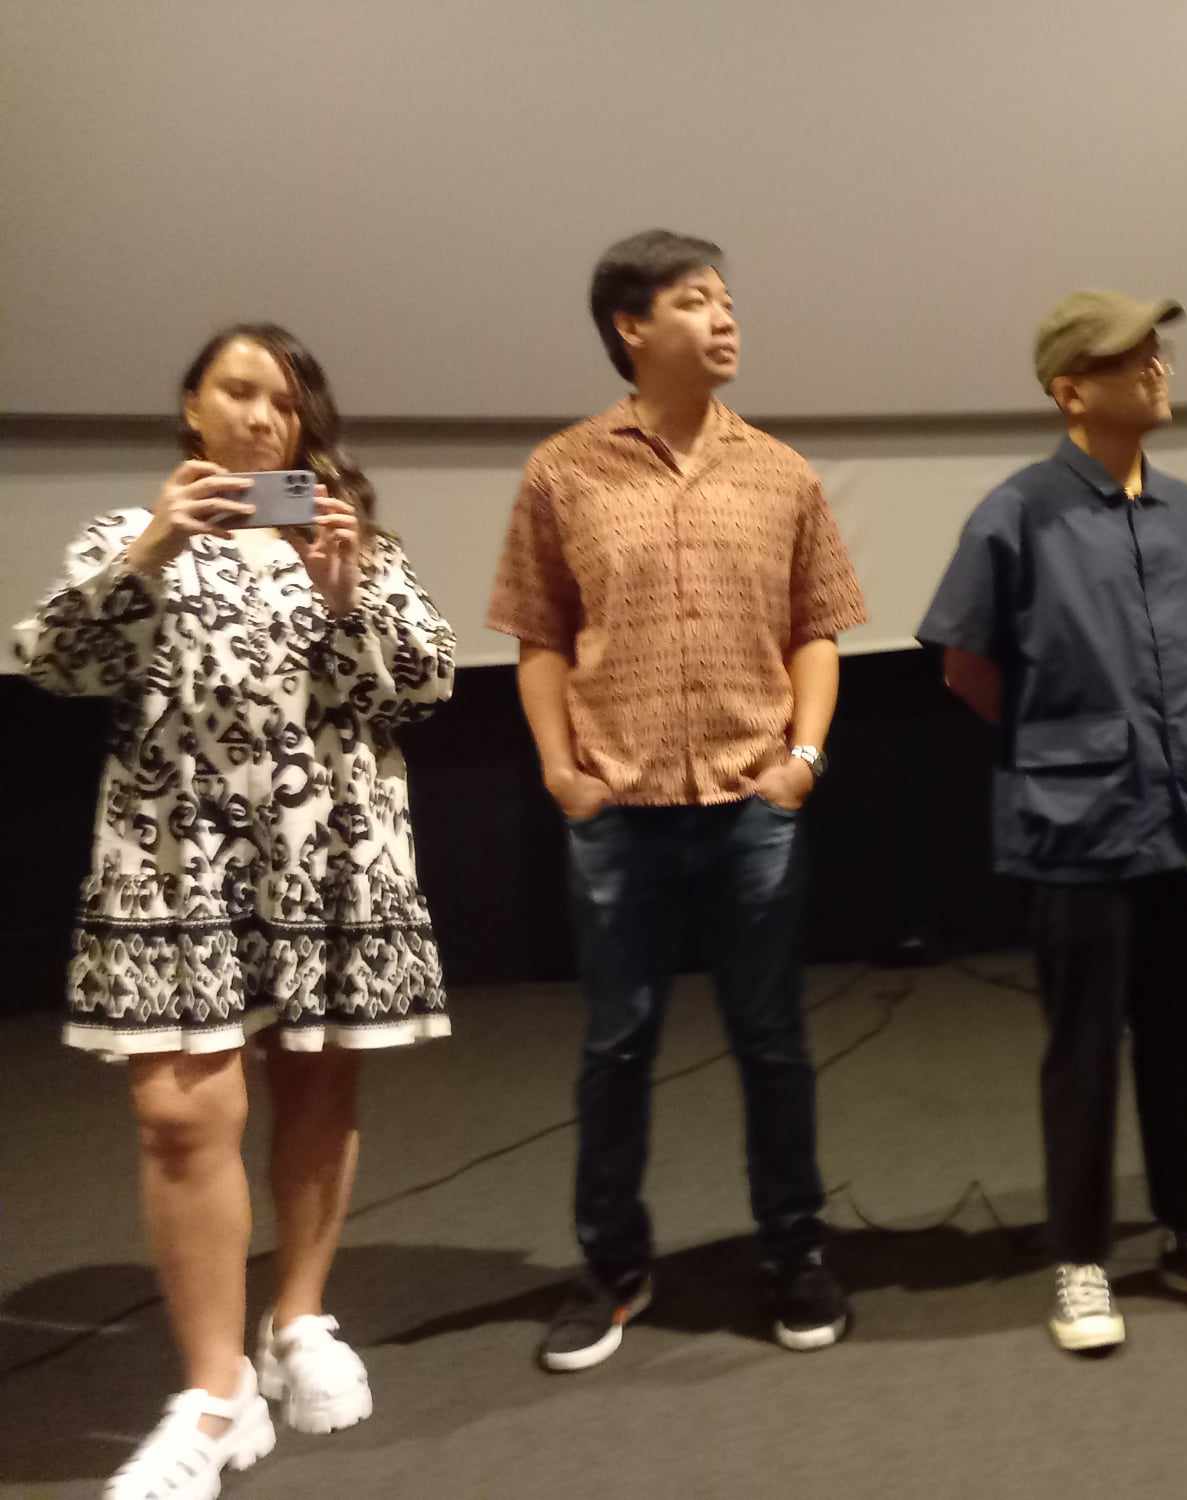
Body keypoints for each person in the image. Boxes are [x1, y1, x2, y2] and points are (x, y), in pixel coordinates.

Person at [14, 323, 455, 1499]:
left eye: (285, 402)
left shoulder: (353, 546)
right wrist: (156, 545)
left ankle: (296, 1317)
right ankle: (215, 1394)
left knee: (317, 1087)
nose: (263, 418)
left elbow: (424, 684)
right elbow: (52, 659)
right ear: (193, 408)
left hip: (329, 859)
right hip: (174, 865)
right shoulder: (128, 536)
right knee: (178, 1115)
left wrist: (346, 595)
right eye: (240, 392)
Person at [487, 229, 869, 1369]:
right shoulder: (563, 471)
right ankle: (612, 1269)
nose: (725, 317)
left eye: (727, 299)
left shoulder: (781, 470)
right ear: (631, 326)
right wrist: (560, 773)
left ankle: (794, 1254)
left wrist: (803, 761)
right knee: (616, 1045)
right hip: (620, 807)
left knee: (773, 1041)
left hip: (755, 801)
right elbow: (539, 636)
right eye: (696, 300)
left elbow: (818, 629)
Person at [918, 291, 1187, 1354]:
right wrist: (1063, 745)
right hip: (1079, 825)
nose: (1156, 370)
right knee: (1082, 1049)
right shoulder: (1016, 513)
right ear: (1069, 390)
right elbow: (966, 666)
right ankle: (1080, 1259)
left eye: (1158, 353)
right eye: (1129, 359)